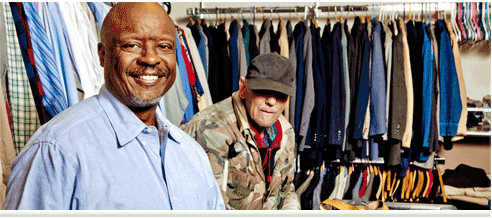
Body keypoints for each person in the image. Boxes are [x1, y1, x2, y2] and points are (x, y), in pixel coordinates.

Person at [3, 2, 224, 210]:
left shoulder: (192, 153)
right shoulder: (56, 151)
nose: (150, 59)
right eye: (132, 45)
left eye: (164, 46)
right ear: (102, 54)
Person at [181, 53, 300, 210]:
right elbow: (208, 206)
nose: (271, 102)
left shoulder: (285, 132)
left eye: (280, 95)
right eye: (264, 91)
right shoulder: (210, 128)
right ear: (243, 88)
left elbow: (286, 190)